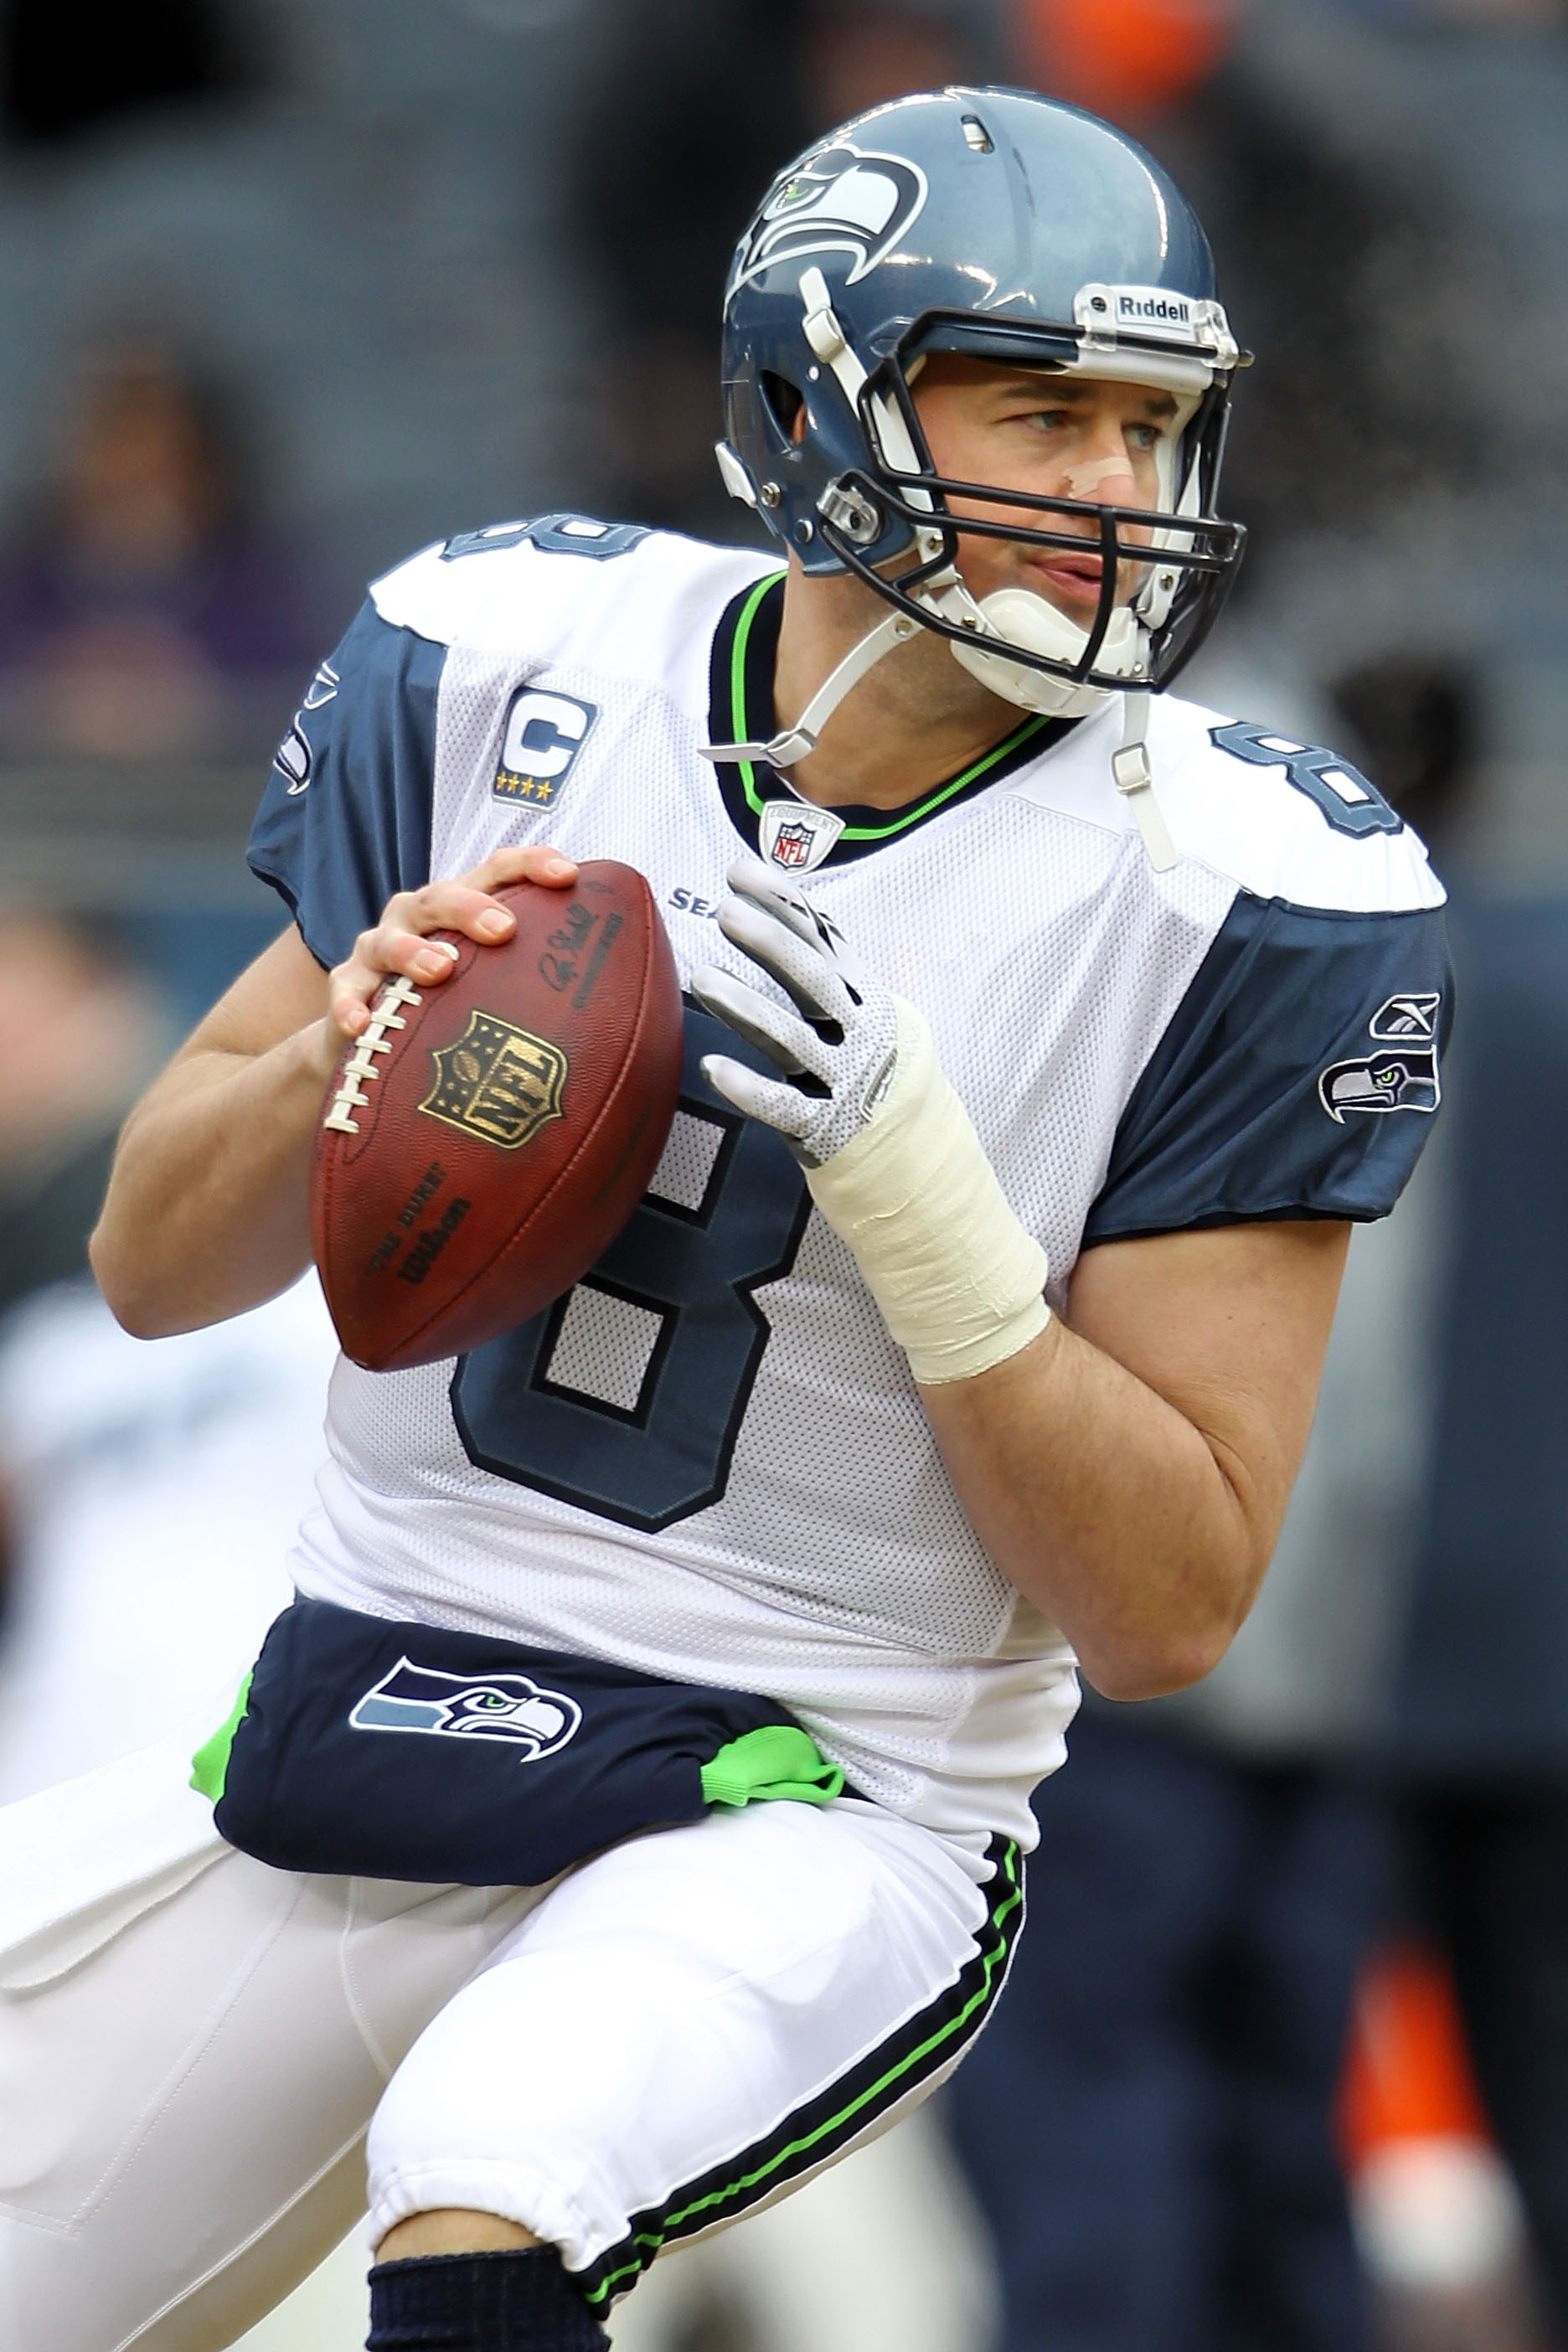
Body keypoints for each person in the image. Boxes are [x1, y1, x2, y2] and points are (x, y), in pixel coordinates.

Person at [0, 88, 1449, 2352]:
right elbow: (151, 1269)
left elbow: (1171, 1607)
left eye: (1155, 423)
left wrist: (919, 1191)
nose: (1114, 488)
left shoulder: (1231, 888)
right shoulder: (501, 663)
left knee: (499, 2175)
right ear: (814, 394)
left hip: (819, 1791)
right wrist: (336, 1054)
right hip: (367, 1710)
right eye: (1043, 405)